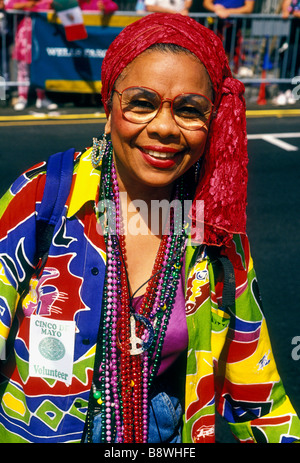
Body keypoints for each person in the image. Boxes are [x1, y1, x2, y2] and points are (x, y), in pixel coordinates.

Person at [1, 13, 300, 444]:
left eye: (189, 110)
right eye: (141, 103)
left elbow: (260, 400)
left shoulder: (214, 230)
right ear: (109, 109)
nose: (163, 127)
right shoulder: (44, 196)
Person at [5, 0, 58, 111]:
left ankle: (41, 97)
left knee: (42, 67)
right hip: (24, 36)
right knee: (22, 68)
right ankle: (22, 97)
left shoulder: (45, 2)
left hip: (41, 39)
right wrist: (25, 5)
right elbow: (8, 5)